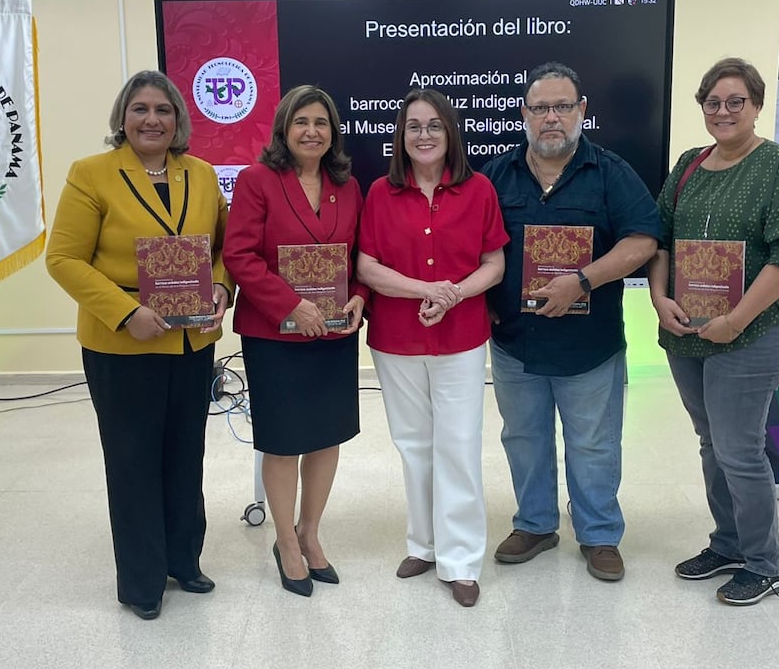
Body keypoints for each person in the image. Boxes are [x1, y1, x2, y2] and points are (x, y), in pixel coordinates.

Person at [46, 70, 232, 620]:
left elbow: (224, 248)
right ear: (121, 119)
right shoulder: (91, 175)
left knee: (183, 455)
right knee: (132, 461)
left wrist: (222, 285)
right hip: (123, 344)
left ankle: (184, 560)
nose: (152, 120)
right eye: (140, 110)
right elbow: (63, 259)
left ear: (179, 120)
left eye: (163, 110)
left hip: (190, 343)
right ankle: (142, 581)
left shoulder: (200, 175)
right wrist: (128, 313)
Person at [647, 57, 779, 606]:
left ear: (756, 106)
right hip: (687, 330)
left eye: (734, 101)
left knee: (740, 449)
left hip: (753, 331)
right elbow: (661, 239)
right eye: (712, 102)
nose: (722, 111)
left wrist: (735, 320)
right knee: (711, 442)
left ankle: (766, 564)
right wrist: (659, 298)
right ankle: (729, 544)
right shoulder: (689, 165)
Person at [485, 62, 660, 583]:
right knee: (524, 438)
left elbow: (643, 240)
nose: (552, 118)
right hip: (516, 342)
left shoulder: (610, 172)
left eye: (563, 106)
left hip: (590, 344)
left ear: (582, 111)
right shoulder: (497, 175)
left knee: (593, 443)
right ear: (524, 115)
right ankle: (536, 524)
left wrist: (581, 281)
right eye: (540, 108)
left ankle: (600, 534)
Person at [357, 88, 508, 608]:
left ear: (451, 134)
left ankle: (461, 560)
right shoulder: (379, 192)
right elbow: (366, 267)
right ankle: (423, 544)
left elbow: (495, 263)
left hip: (461, 336)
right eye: (413, 126)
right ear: (401, 136)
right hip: (396, 338)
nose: (423, 135)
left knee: (459, 444)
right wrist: (429, 291)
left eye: (434, 126)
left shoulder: (479, 189)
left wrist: (455, 295)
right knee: (414, 444)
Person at [222, 86, 366, 598]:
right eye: (301, 121)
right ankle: (285, 541)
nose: (312, 131)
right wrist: (291, 305)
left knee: (326, 436)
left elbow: (358, 256)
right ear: (284, 127)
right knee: (284, 441)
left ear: (333, 132)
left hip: (332, 333)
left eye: (321, 122)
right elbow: (239, 256)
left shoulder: (346, 186)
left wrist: (360, 296)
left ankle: (310, 531)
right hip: (275, 334)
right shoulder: (257, 181)